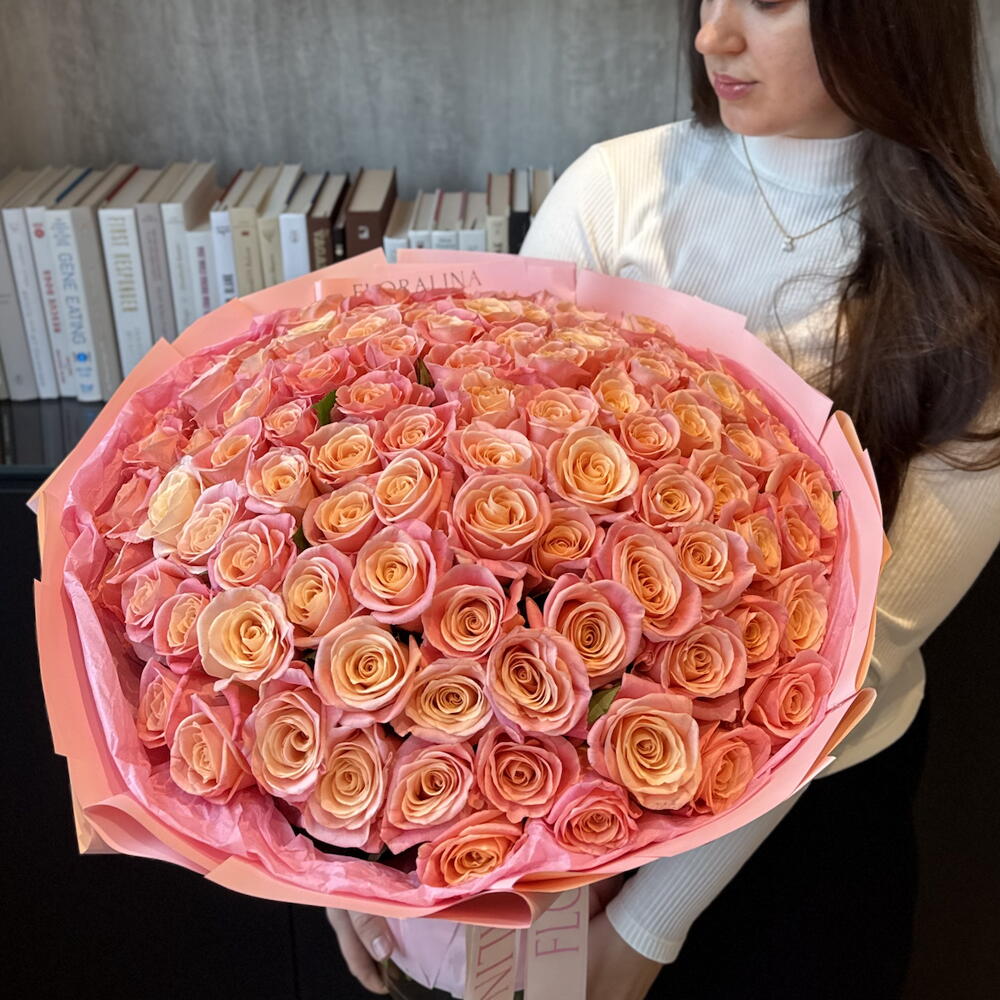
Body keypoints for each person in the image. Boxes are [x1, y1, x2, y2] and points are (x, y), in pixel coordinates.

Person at [327, 1, 1000, 996]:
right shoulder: (615, 189)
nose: (710, 36)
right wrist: (357, 816)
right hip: (552, 798)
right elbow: (464, 506)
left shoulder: (970, 282)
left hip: (812, 830)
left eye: (767, 2)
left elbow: (864, 648)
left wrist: (648, 927)